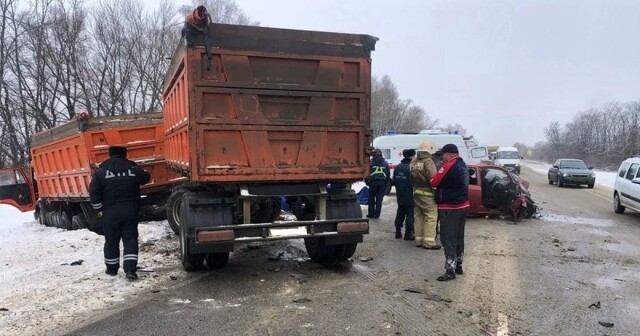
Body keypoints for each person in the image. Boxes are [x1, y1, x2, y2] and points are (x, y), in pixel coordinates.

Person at [89, 146, 150, 280]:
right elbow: (146, 177)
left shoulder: (101, 172)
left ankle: (111, 270)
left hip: (110, 212)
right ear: (125, 154)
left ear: (110, 154)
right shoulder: (133, 169)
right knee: (130, 239)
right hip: (130, 210)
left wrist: (99, 208)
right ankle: (130, 270)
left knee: (111, 240)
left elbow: (94, 192)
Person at [430, 144, 470, 281]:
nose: (442, 157)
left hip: (450, 207)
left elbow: (433, 182)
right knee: (459, 237)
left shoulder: (449, 165)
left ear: (450, 154)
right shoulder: (462, 164)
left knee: (448, 238)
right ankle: (458, 264)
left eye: (444, 155)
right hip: (462, 205)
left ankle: (450, 269)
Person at [410, 141, 441, 249]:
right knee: (431, 216)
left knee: (418, 216)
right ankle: (428, 242)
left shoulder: (413, 161)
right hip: (427, 193)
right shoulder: (428, 161)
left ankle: (418, 240)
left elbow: (411, 177)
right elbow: (433, 178)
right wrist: (436, 192)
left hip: (416, 191)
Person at [393, 149, 415, 239]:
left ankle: (398, 232)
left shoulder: (398, 167)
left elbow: (394, 180)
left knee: (400, 212)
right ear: (410, 157)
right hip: (410, 193)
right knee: (410, 214)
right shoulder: (411, 167)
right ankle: (408, 234)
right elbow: (413, 182)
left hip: (400, 193)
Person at [366, 148, 391, 219]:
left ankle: (371, 214)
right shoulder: (385, 163)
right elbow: (388, 174)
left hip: (373, 182)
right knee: (379, 199)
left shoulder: (371, 163)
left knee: (371, 198)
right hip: (382, 183)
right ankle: (377, 215)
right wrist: (385, 183)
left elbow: (367, 173)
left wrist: (367, 182)